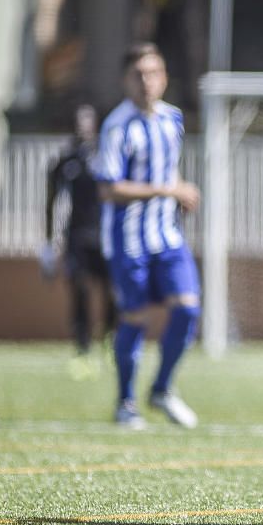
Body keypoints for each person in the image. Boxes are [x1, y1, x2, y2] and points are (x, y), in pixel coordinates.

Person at [95, 42, 201, 430]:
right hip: (127, 241)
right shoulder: (116, 126)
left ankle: (161, 389)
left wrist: (180, 187)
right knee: (135, 319)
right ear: (126, 80)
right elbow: (109, 189)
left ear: (165, 77)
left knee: (187, 307)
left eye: (153, 73)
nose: (146, 81)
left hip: (166, 236)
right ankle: (126, 402)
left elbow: (166, 172)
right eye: (138, 75)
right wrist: (167, 190)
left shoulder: (172, 119)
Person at [42, 104, 116, 378]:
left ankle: (109, 339)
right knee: (81, 292)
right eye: (77, 121)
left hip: (106, 236)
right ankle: (83, 350)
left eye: (87, 121)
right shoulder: (65, 161)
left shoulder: (107, 158)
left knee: (113, 292)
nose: (82, 126)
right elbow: (51, 202)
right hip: (77, 238)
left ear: (95, 125)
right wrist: (49, 245)